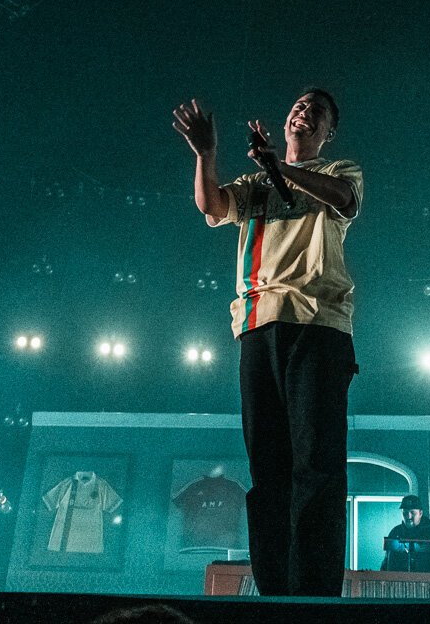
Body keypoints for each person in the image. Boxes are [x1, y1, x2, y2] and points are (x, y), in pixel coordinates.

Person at [173, 89, 363, 597]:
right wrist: (205, 155)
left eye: (316, 111)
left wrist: (282, 167)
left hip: (318, 327)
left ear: (329, 131)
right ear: (284, 122)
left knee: (316, 467)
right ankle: (275, 590)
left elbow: (344, 199)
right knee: (268, 469)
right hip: (257, 325)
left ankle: (315, 594)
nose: (304, 112)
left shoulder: (341, 170)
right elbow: (211, 206)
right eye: (298, 107)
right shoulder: (255, 182)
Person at [380, 495, 430, 572]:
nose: (408, 516)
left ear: (421, 513)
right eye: (405, 513)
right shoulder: (395, 533)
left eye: (412, 513)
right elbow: (387, 562)